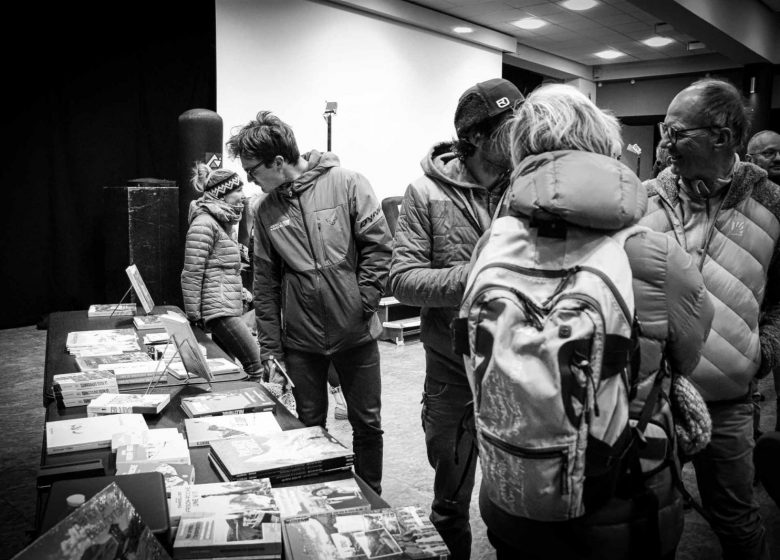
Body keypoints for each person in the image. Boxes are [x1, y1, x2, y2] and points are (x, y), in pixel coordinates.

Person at [478, 82, 712, 560]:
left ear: (520, 153)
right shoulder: (651, 252)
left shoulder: (493, 244)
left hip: (512, 492)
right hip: (621, 501)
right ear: (605, 150)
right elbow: (688, 356)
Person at [641, 78, 780, 560]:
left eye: (676, 132)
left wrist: (763, 351)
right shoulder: (642, 202)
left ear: (721, 136)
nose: (665, 143)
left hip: (728, 402)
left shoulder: (772, 205)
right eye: (664, 129)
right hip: (650, 400)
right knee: (653, 523)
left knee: (738, 522)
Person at [389, 78, 524, 560]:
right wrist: (480, 274)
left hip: (518, 370)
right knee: (450, 502)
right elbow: (401, 278)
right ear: (478, 139)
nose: (525, 135)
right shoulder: (424, 192)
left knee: (519, 505)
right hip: (450, 368)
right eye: (512, 127)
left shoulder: (529, 185)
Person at [226, 111, 391, 496]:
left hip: (358, 336)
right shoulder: (264, 211)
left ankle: (371, 498)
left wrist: (361, 303)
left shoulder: (348, 184)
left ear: (278, 162)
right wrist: (271, 347)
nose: (250, 180)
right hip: (302, 344)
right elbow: (264, 284)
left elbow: (379, 249)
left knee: (367, 424)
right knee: (309, 425)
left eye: (253, 171)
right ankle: (320, 498)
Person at [181, 164, 263, 378]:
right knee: (256, 366)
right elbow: (192, 271)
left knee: (229, 370)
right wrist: (193, 315)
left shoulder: (221, 223)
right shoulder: (204, 223)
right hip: (218, 311)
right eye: (237, 191)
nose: (243, 196)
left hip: (225, 305)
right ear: (221, 194)